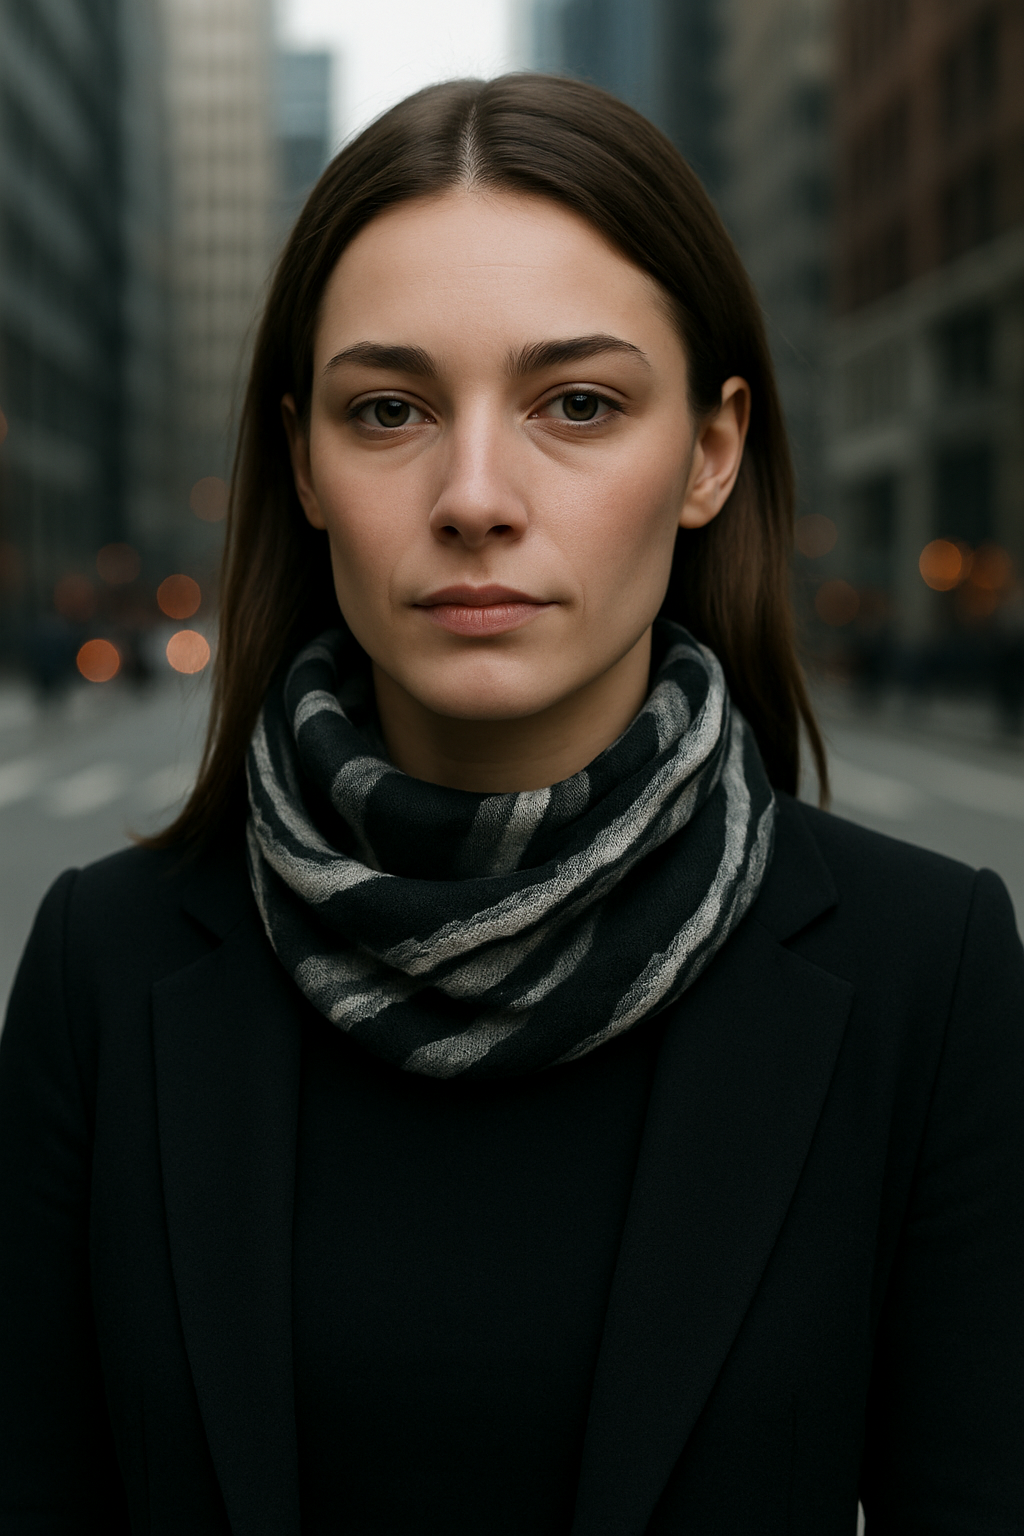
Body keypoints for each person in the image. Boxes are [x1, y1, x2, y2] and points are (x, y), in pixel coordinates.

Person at [1, 74, 1022, 1536]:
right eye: (390, 408)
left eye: (581, 403)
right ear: (303, 460)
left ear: (711, 452)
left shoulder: (931, 972)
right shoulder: (104, 966)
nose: (475, 493)